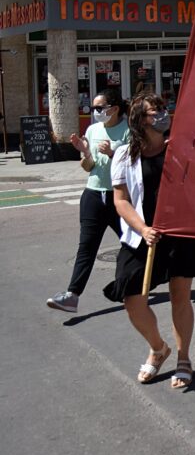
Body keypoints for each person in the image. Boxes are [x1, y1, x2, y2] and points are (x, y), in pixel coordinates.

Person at [105, 94, 195, 390]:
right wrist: (142, 228)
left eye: (165, 110)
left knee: (180, 297)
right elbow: (120, 200)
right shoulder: (124, 154)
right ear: (142, 120)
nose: (164, 115)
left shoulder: (180, 149)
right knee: (132, 299)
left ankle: (183, 358)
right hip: (143, 235)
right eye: (157, 111)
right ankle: (158, 348)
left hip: (180, 233)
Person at [46, 89, 131, 313]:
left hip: (119, 196)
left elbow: (135, 166)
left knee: (131, 243)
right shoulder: (93, 130)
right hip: (93, 194)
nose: (94, 112)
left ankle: (132, 286)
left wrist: (114, 153)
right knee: (87, 247)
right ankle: (72, 295)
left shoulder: (128, 130)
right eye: (93, 108)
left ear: (114, 109)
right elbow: (90, 167)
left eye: (98, 108)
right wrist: (85, 151)